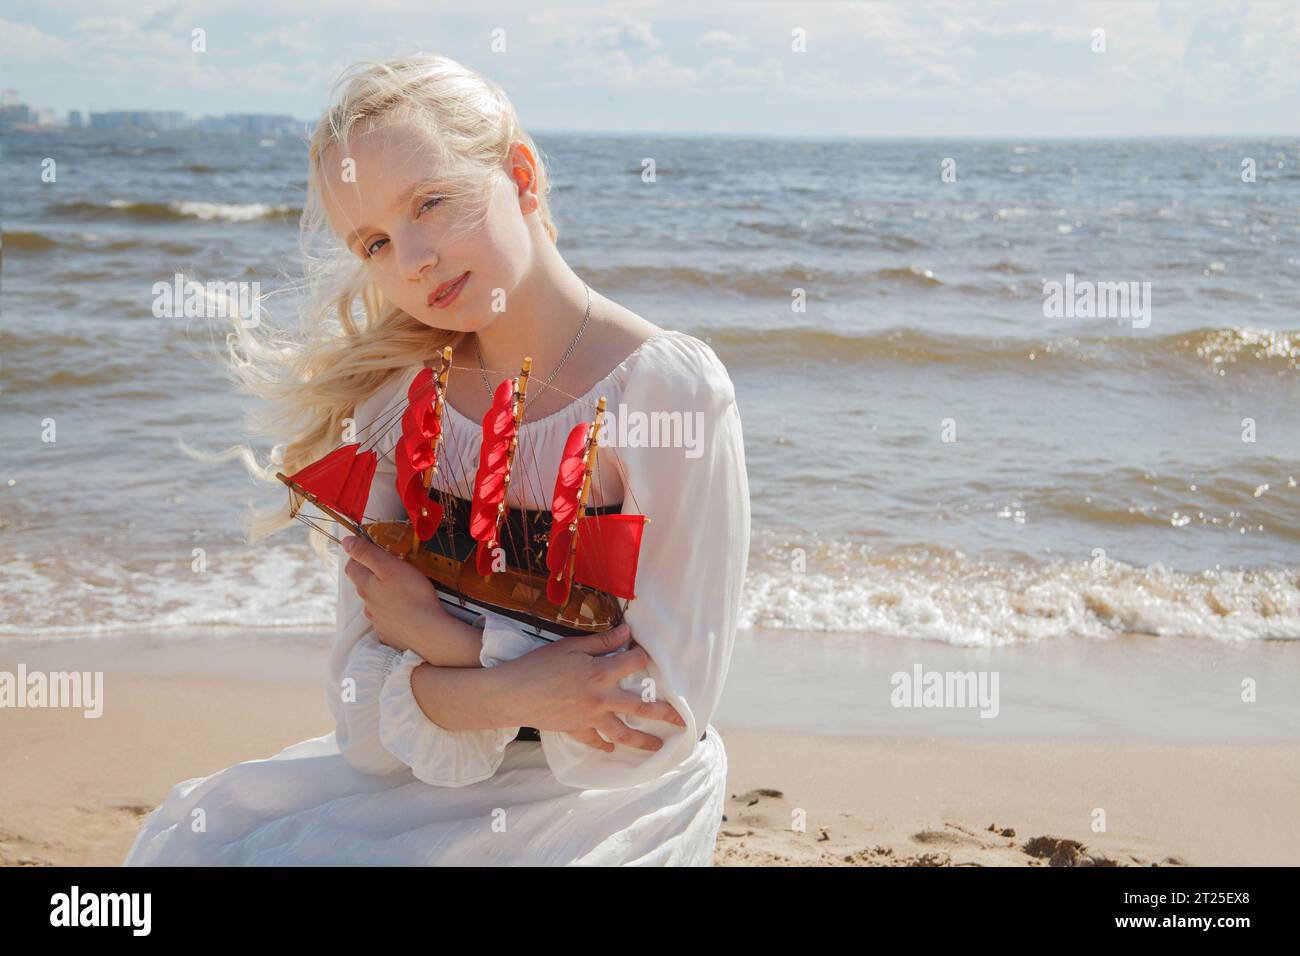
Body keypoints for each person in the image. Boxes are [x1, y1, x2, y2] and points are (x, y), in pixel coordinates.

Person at [123, 53, 750, 866]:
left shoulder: (664, 393)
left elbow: (649, 723)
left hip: (610, 804)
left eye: (432, 203)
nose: (412, 259)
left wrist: (443, 645)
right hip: (425, 786)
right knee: (195, 846)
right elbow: (360, 719)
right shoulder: (396, 404)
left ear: (519, 177)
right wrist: (524, 687)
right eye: (376, 241)